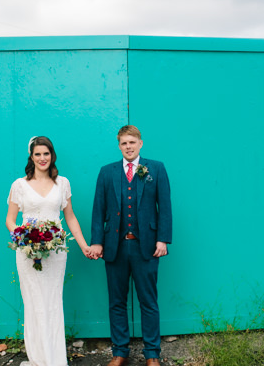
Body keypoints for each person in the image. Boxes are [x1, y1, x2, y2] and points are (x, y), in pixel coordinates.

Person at [6, 136, 95, 366]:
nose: (42, 158)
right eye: (38, 154)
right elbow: (10, 219)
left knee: (52, 301)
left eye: (46, 153)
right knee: (34, 302)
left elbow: (70, 216)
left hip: (56, 252)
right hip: (28, 253)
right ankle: (38, 358)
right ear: (31, 157)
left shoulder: (62, 183)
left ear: (51, 155)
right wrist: (23, 238)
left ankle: (55, 359)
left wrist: (84, 244)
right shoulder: (19, 185)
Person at [89, 125, 173, 366]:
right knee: (116, 301)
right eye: (124, 143)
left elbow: (164, 207)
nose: (128, 146)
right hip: (114, 247)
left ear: (140, 143)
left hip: (145, 246)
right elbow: (98, 211)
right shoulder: (107, 172)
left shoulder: (155, 168)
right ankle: (120, 352)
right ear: (119, 146)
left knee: (148, 300)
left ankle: (152, 354)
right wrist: (97, 242)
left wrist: (162, 239)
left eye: (132, 142)